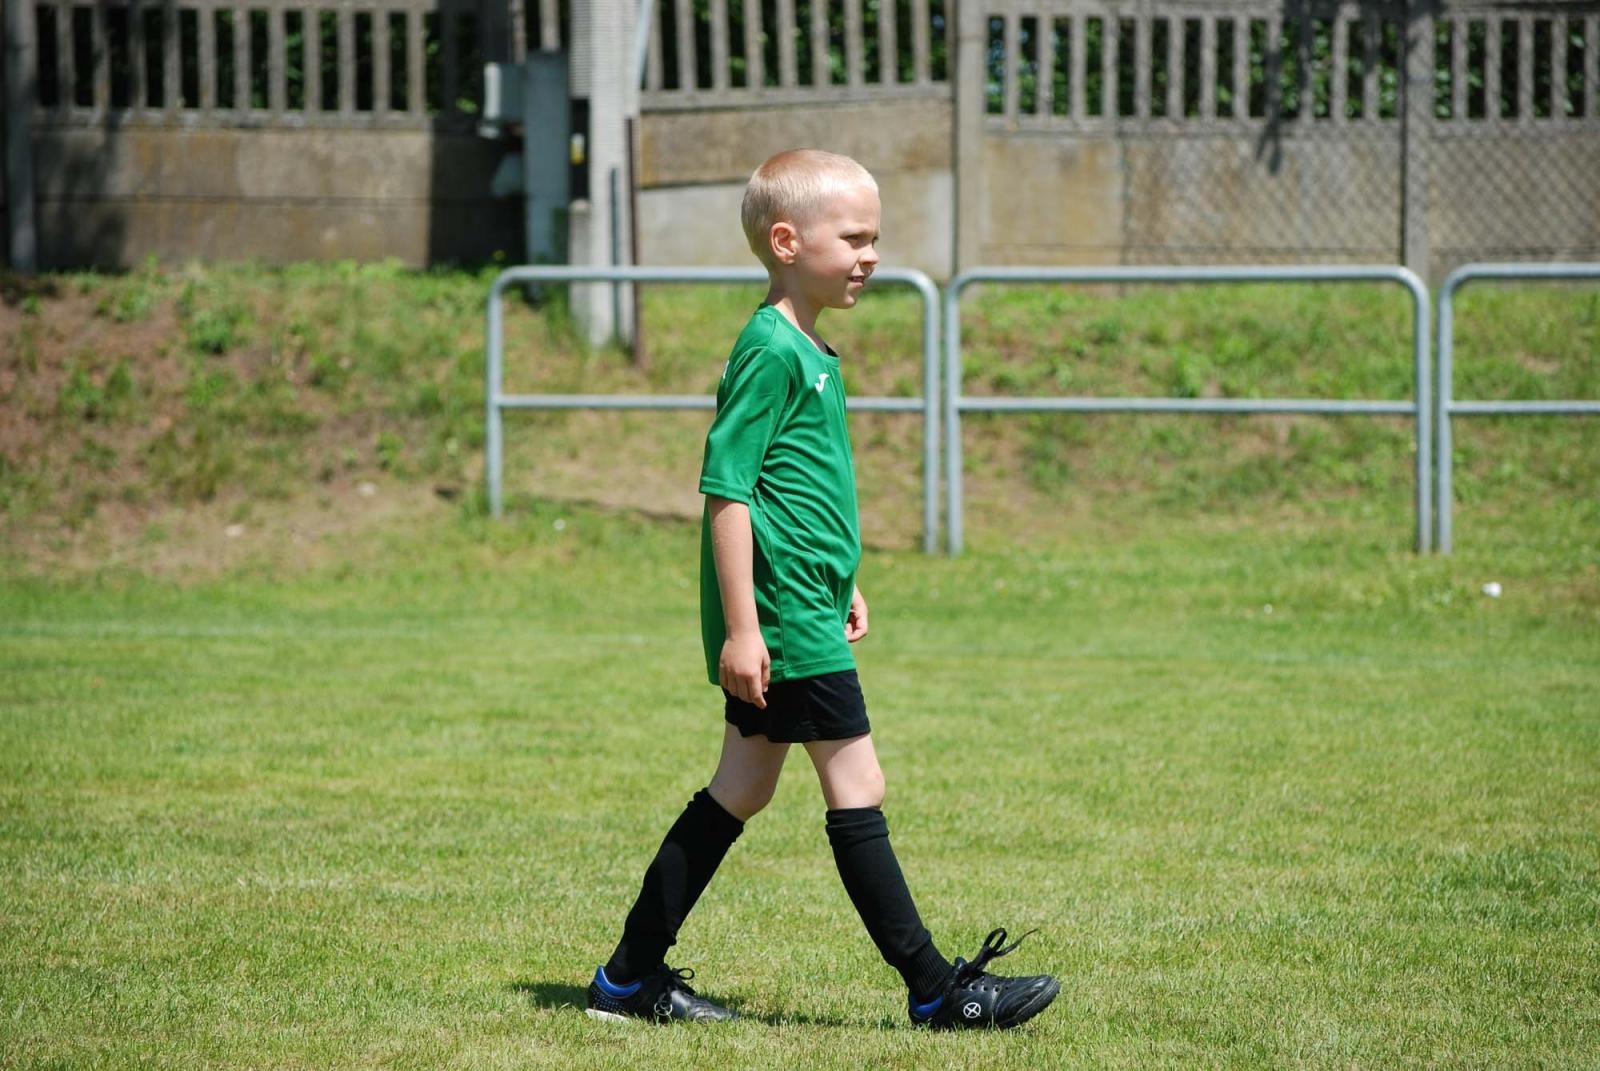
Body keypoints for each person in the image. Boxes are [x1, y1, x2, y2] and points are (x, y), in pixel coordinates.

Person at [585, 149, 1059, 1030]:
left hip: (806, 606)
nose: (871, 254)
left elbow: (802, 490)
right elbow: (727, 493)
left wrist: (846, 580)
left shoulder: (811, 349)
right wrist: (743, 629)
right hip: (781, 621)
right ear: (787, 240)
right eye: (855, 237)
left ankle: (625, 979)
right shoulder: (769, 350)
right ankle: (936, 990)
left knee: (742, 787)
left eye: (876, 237)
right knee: (858, 781)